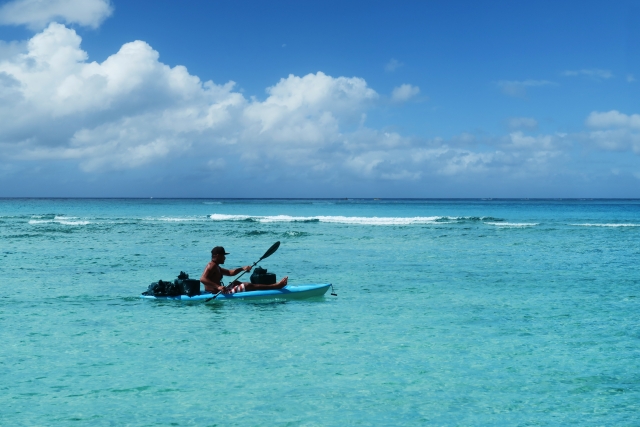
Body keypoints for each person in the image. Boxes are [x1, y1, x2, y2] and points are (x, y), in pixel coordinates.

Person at [200, 246, 288, 294]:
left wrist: (242, 268)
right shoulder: (211, 265)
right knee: (247, 285)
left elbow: (230, 273)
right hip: (216, 293)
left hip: (220, 290)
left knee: (237, 282)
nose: (225, 258)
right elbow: (203, 279)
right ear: (218, 256)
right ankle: (275, 286)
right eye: (223, 256)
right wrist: (218, 287)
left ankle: (271, 286)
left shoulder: (216, 266)